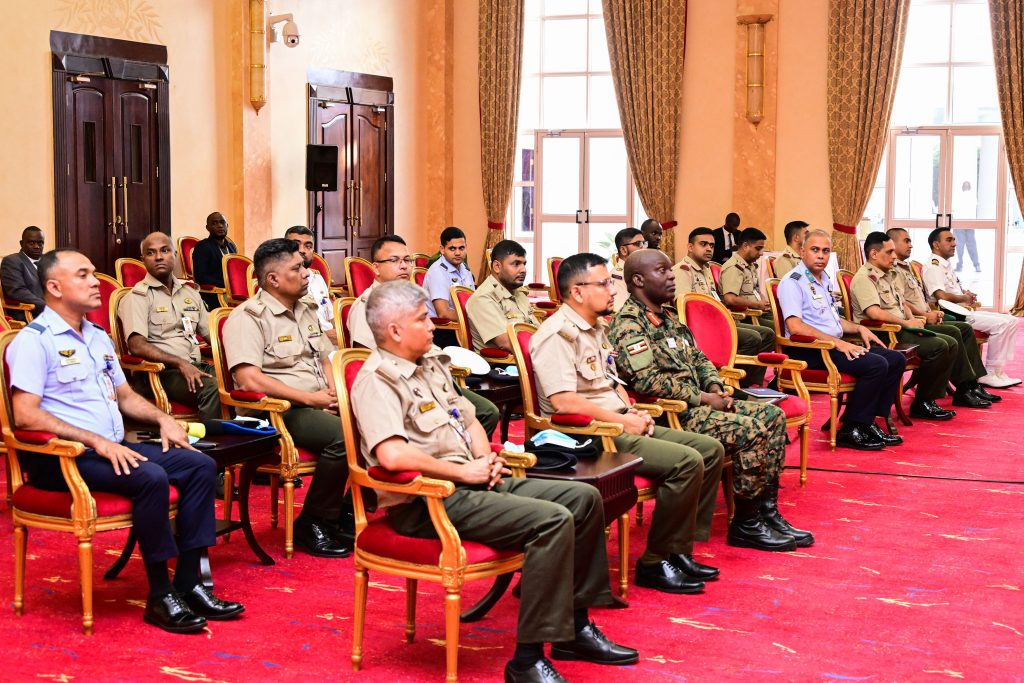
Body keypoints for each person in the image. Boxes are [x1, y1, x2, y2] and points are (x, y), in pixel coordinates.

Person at [352, 281, 639, 683]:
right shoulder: (377, 379)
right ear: (395, 330)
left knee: (584, 499)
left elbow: (468, 416)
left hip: (471, 480)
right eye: (422, 320)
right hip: (426, 501)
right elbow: (392, 456)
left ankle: (573, 629)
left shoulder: (430, 361)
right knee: (553, 521)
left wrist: (484, 456)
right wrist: (462, 471)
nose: (433, 326)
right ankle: (526, 660)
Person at [9, 248, 243, 633]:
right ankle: (160, 595)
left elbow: (127, 397)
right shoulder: (35, 341)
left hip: (110, 450)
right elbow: (25, 414)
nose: (94, 281)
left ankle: (190, 582)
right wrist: (96, 442)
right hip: (61, 458)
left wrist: (165, 419)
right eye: (82, 275)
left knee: (199, 464)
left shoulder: (97, 337)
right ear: (53, 287)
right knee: (150, 476)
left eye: (92, 273)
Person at [530, 252, 725, 594]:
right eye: (604, 283)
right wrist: (620, 422)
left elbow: (609, 382)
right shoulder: (558, 333)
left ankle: (676, 550)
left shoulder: (596, 328)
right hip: (586, 435)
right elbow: (564, 402)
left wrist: (631, 410)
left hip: (616, 421)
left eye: (611, 282)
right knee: (687, 461)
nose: (612, 290)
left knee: (710, 450)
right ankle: (654, 562)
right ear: (577, 291)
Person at [609, 249, 812, 552]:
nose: (671, 275)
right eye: (662, 271)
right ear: (638, 280)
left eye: (669, 269)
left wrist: (714, 384)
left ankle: (765, 513)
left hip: (701, 403)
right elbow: (647, 381)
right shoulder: (629, 325)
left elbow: (699, 359)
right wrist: (704, 397)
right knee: (750, 430)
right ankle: (747, 523)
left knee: (773, 417)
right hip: (673, 414)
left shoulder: (668, 319)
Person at [223, 238, 351, 558]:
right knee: (344, 437)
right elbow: (248, 379)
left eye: (304, 264)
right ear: (273, 279)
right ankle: (314, 522)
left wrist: (336, 391)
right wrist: (310, 399)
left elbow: (325, 356)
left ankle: (345, 512)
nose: (307, 272)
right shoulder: (248, 317)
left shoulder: (305, 309)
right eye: (297, 267)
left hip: (318, 400)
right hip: (278, 410)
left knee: (384, 420)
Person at [348, 234, 500, 438]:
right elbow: (364, 359)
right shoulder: (367, 306)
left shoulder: (413, 299)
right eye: (394, 260)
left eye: (407, 260)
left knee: (487, 412)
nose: (403, 266)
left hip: (433, 376)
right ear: (375, 268)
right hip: (403, 385)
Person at [777, 230, 907, 450]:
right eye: (815, 250)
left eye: (826, 251)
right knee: (876, 365)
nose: (821, 256)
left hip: (831, 345)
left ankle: (868, 422)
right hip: (810, 350)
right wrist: (838, 342)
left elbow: (834, 320)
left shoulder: (824, 279)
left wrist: (858, 328)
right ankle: (852, 428)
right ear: (802, 251)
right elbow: (795, 326)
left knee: (895, 359)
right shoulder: (793, 282)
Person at [849, 232, 975, 419]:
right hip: (885, 334)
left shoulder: (887, 275)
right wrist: (906, 322)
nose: (893, 256)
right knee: (941, 346)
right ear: (874, 254)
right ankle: (923, 402)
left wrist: (914, 319)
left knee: (952, 340)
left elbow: (902, 303)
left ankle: (933, 397)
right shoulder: (865, 278)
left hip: (903, 328)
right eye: (889, 251)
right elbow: (874, 313)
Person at [887, 227, 1006, 394]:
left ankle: (972, 384)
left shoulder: (906, 268)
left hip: (924, 317)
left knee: (962, 329)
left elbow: (918, 298)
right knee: (954, 334)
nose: (911, 245)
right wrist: (925, 315)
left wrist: (929, 312)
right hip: (912, 323)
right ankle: (963, 388)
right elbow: (902, 301)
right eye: (906, 241)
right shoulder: (891, 271)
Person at [117, 232, 221, 420]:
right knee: (212, 388)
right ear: (143, 260)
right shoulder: (137, 297)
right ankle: (211, 445)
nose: (158, 257)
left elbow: (212, 338)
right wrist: (180, 363)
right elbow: (136, 345)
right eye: (151, 253)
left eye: (164, 250)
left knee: (240, 382)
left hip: (194, 366)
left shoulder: (190, 293)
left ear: (174, 254)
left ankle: (251, 442)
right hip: (159, 373)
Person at [673, 227, 775, 386]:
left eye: (712, 245)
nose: (708, 248)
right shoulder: (683, 270)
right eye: (703, 244)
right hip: (701, 328)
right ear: (690, 247)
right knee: (753, 338)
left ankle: (749, 383)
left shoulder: (705, 269)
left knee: (767, 333)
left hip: (718, 322)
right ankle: (731, 380)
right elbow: (684, 308)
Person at [922, 228, 1021, 387]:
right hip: (953, 314)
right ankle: (989, 373)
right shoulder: (934, 266)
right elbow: (941, 297)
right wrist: (964, 298)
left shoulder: (945, 265)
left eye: (954, 239)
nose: (954, 243)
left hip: (963, 310)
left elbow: (952, 291)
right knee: (1002, 324)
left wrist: (965, 294)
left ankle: (998, 372)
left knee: (1011, 320)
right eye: (949, 240)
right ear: (936, 245)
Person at [466, 239, 539, 352]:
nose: (523, 270)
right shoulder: (483, 298)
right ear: (497, 267)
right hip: (505, 365)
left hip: (532, 354)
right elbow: (505, 343)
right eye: (516, 264)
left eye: (524, 264)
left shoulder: (518, 291)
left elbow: (535, 328)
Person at [284, 225, 337, 346]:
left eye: (308, 246)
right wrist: (323, 337)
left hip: (331, 346)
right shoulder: (277, 284)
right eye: (296, 245)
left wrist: (340, 334)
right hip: (303, 348)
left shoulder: (318, 279)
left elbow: (331, 317)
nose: (302, 250)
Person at [720, 227, 773, 326]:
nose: (761, 253)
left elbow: (755, 290)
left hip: (758, 312)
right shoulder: (733, 267)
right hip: (745, 316)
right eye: (758, 248)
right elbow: (730, 299)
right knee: (775, 330)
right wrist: (757, 304)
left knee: (783, 322)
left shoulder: (750, 265)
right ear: (745, 246)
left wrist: (764, 303)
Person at [423, 226, 475, 321]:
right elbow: (443, 313)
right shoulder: (437, 272)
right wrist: (475, 318)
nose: (458, 253)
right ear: (442, 249)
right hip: (442, 330)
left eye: (461, 248)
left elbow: (472, 303)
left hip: (463, 324)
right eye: (452, 249)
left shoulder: (465, 269)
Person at [192, 212, 237, 310]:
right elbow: (201, 276)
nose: (220, 226)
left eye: (222, 222)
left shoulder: (231, 246)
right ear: (207, 228)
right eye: (214, 223)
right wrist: (227, 285)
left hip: (234, 292)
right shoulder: (202, 246)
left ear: (227, 225)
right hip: (215, 294)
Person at [1, 225, 47, 319]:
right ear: (22, 244)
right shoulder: (12, 261)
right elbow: (17, 291)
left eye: (40, 243)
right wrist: (47, 306)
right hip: (30, 312)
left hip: (53, 312)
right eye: (31, 243)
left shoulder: (48, 261)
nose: (37, 247)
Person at [609, 228, 647, 312]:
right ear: (623, 250)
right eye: (638, 244)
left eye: (644, 243)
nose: (643, 248)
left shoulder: (638, 271)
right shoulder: (618, 276)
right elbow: (622, 311)